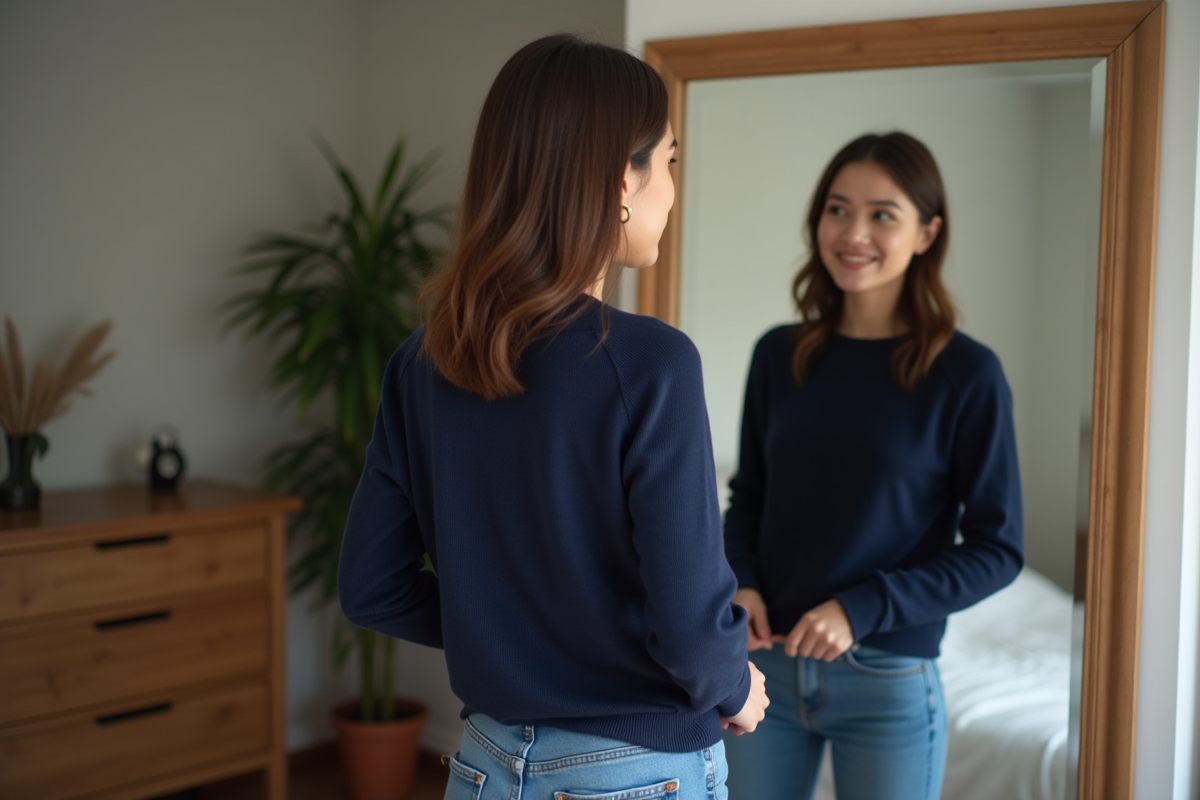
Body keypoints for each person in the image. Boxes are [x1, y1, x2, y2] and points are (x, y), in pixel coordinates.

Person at [337, 34, 768, 800]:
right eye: (669, 161)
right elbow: (692, 627)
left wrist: (508, 637)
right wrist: (736, 686)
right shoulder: (653, 362)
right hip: (634, 771)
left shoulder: (419, 362)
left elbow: (371, 586)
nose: (673, 189)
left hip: (484, 763)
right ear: (621, 179)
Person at [721, 131, 1023, 800]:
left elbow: (998, 549)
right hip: (763, 670)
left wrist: (862, 609)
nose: (853, 233)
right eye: (838, 209)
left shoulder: (966, 374)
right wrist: (742, 584)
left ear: (926, 233)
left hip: (886, 676)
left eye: (883, 214)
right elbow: (751, 497)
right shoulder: (779, 356)